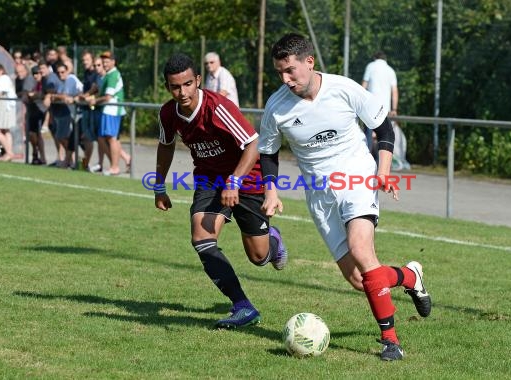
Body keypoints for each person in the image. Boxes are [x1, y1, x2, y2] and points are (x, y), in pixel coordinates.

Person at [257, 33, 431, 361]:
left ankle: (391, 341)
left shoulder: (343, 88)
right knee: (357, 278)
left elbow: (383, 128)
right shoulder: (277, 107)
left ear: (310, 62)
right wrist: (271, 189)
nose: (286, 78)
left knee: (361, 249)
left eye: (291, 70)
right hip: (320, 196)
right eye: (280, 72)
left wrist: (383, 170)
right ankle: (410, 276)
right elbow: (268, 152)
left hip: (357, 178)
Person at [154, 52, 288, 329]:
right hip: (210, 180)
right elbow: (166, 145)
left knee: (258, 258)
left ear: (198, 81)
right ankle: (242, 306)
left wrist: (235, 181)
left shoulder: (217, 107)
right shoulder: (168, 113)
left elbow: (253, 144)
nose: (182, 92)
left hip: (247, 179)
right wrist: (159, 185)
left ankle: (273, 243)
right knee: (201, 237)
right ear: (168, 87)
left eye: (188, 84)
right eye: (175, 87)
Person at [88, 51, 130, 175]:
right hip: (107, 110)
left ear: (113, 62)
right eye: (103, 62)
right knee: (103, 138)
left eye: (107, 62)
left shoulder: (112, 75)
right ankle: (116, 163)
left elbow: (107, 96)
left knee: (111, 139)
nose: (105, 64)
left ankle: (115, 166)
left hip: (112, 110)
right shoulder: (109, 74)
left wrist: (94, 100)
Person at [361, 51, 399, 155]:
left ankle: (367, 162)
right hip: (384, 110)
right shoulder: (391, 70)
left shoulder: (370, 66)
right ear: (385, 59)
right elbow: (394, 91)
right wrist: (394, 109)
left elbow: (363, 87)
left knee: (368, 137)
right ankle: (381, 166)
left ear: (375, 58)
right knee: (383, 137)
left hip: (370, 108)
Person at [0, 63, 18, 161]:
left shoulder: (3, 79)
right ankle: (9, 153)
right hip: (2, 106)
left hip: (4, 106)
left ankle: (9, 152)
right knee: (5, 130)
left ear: (1, 70)